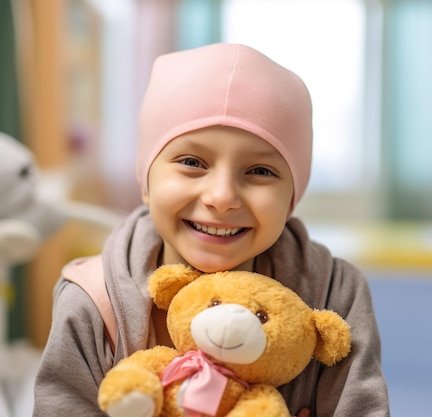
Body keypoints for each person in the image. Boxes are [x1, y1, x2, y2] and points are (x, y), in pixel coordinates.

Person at [33, 43, 389, 416]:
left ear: (291, 199)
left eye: (261, 171)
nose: (222, 197)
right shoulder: (92, 301)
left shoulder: (335, 294)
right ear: (146, 181)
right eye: (192, 162)